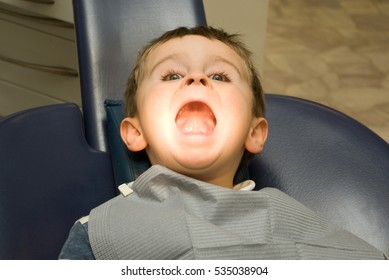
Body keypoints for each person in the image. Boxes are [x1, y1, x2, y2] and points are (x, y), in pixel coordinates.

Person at [59, 26, 385, 260]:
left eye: (220, 76)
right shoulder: (98, 234)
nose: (196, 79)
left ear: (253, 133)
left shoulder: (292, 222)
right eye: (172, 75)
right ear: (134, 132)